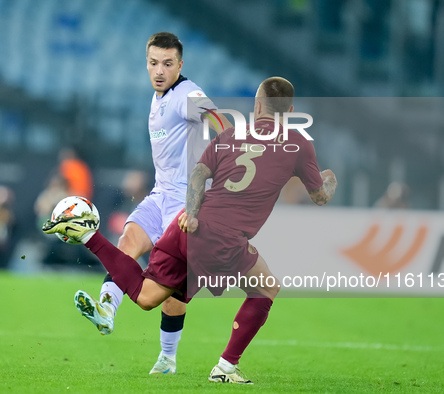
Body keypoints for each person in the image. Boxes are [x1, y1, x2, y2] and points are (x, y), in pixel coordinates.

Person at [44, 77, 338, 383]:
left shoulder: (230, 136)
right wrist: (329, 180)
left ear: (257, 106)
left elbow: (199, 173)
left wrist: (192, 214)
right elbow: (320, 197)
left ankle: (89, 236)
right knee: (266, 288)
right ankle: (225, 368)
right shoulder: (297, 143)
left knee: (146, 296)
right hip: (226, 237)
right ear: (289, 111)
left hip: (187, 223)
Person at [77, 32, 229, 375]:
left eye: (168, 63)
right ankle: (107, 311)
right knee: (128, 242)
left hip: (184, 204)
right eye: (153, 63)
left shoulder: (186, 94)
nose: (159, 70)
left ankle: (167, 358)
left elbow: (219, 122)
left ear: (180, 65)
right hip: (160, 194)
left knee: (172, 290)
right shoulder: (158, 97)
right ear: (146, 63)